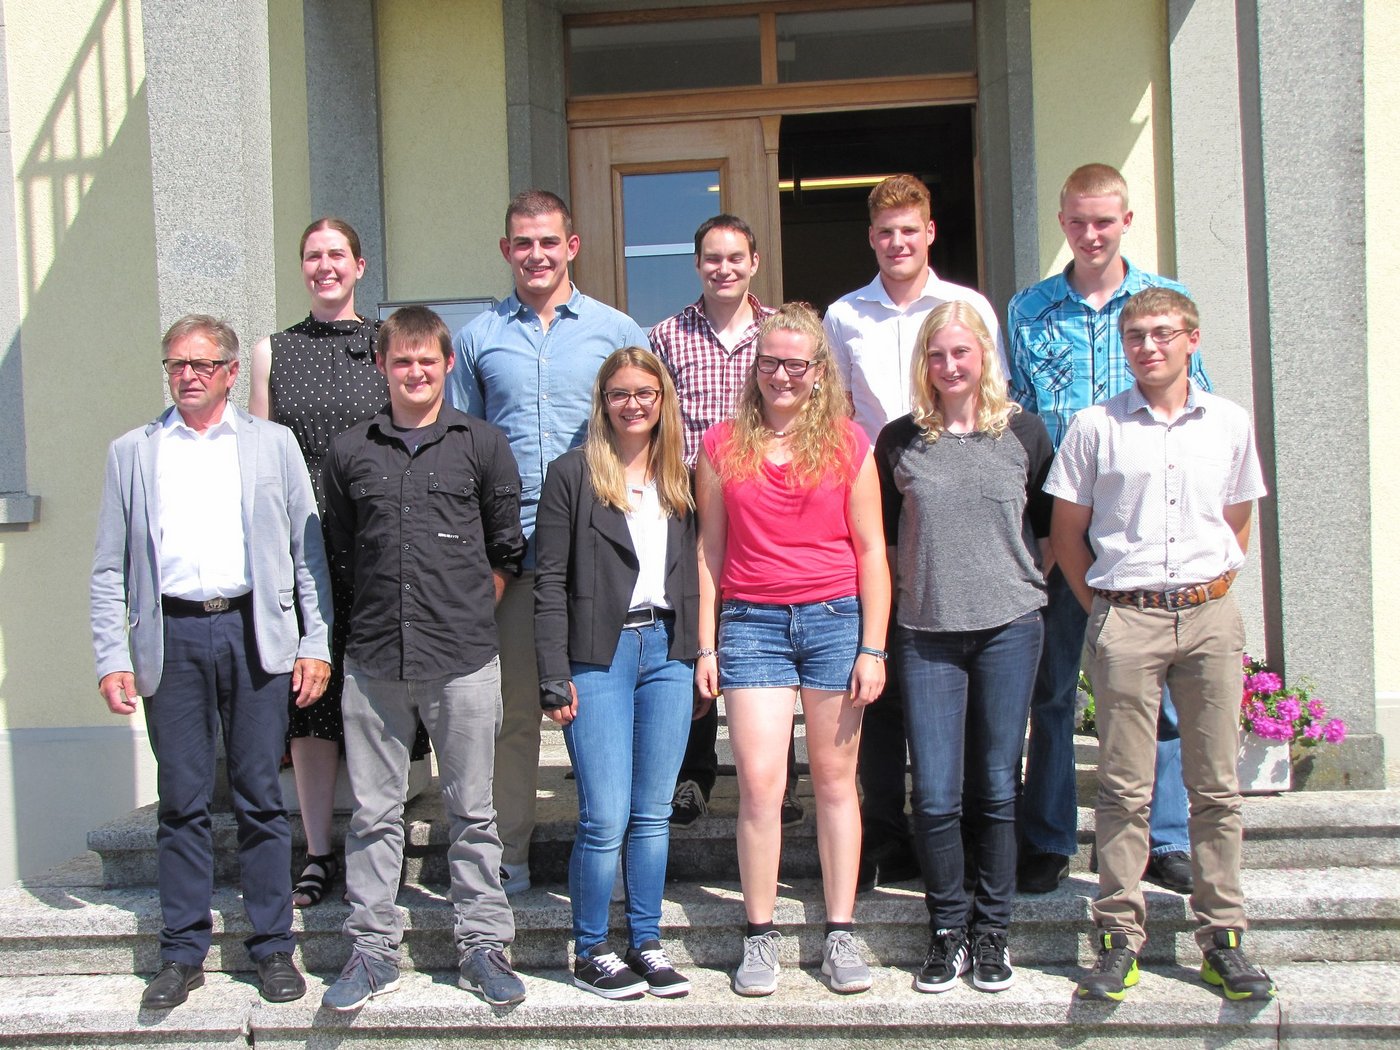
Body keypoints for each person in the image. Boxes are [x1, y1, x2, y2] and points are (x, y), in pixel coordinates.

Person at [91, 315, 330, 1008]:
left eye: (200, 364)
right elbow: (109, 566)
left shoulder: (271, 445)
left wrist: (314, 642)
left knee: (260, 796)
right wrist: (113, 655)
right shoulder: (133, 451)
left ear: (230, 371)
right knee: (183, 802)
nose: (187, 375)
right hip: (172, 638)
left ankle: (272, 947)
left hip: (253, 635)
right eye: (175, 364)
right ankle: (182, 951)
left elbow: (305, 553)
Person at [1047, 288, 1275, 1003]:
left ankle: (1224, 937)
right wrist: (1108, 615)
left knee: (1214, 786)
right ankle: (1118, 936)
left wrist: (1197, 597)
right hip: (1126, 618)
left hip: (1209, 616)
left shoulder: (1229, 423)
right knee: (1122, 786)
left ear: (1192, 340)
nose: (1149, 346)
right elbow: (1066, 535)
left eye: (1163, 334)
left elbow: (1236, 525)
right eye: (1136, 336)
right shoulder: (1096, 426)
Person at [1007, 163, 1209, 895]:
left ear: (1125, 221)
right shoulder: (1027, 310)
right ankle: (1051, 836)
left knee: (1157, 689)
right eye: (1077, 221)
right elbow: (1020, 421)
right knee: (1052, 690)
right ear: (1061, 222)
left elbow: (1202, 409)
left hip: (1145, 530)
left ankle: (1168, 836)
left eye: (1104, 221)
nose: (1090, 234)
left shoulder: (1165, 304)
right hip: (1061, 525)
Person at [321, 306, 528, 1010]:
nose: (415, 372)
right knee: (375, 815)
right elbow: (344, 554)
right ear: (382, 366)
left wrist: (463, 607)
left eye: (427, 361)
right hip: (374, 660)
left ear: (446, 366)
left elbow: (506, 549)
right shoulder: (351, 452)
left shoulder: (483, 444)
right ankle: (371, 950)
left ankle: (483, 946)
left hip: (464, 657)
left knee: (473, 811)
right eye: (402, 361)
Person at [447, 190, 648, 895]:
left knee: (595, 708)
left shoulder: (614, 330)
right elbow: (460, 448)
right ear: (507, 250)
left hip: (594, 554)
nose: (536, 254)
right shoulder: (476, 340)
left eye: (548, 242)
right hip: (511, 557)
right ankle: (511, 852)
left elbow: (643, 435)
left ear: (573, 246)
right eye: (522, 243)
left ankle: (608, 853)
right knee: (513, 716)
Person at [696, 303, 890, 997]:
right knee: (759, 786)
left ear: (818, 372)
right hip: (752, 625)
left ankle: (839, 931)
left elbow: (872, 551)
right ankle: (759, 935)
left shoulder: (849, 442)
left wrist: (874, 645)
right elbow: (708, 550)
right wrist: (704, 642)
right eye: (770, 362)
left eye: (796, 364)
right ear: (756, 367)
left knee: (836, 782)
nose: (782, 374)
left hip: (837, 619)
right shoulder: (721, 445)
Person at [824, 173, 1003, 891]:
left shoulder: (969, 309)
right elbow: (833, 412)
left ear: (929, 232)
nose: (897, 242)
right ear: (871, 239)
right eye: (884, 232)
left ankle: (957, 827)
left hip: (953, 495)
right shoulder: (845, 316)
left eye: (910, 229)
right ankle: (887, 836)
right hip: (874, 501)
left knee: (950, 665)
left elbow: (994, 400)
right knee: (881, 677)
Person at [248, 216, 428, 908]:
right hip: (304, 549)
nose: (325, 267)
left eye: (336, 256)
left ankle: (384, 841)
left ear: (359, 265)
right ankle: (320, 851)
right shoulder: (273, 352)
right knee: (313, 706)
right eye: (313, 256)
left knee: (386, 695)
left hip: (380, 544)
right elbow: (264, 459)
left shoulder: (386, 346)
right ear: (304, 268)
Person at [875, 303, 1051, 995]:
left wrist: (1016, 583)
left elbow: (1046, 532)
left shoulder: (1025, 434)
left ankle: (993, 933)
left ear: (984, 354)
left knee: (998, 788)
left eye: (962, 352)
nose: (951, 366)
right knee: (939, 793)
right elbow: (887, 544)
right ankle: (947, 930)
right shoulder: (899, 442)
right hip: (927, 635)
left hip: (1010, 627)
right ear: (925, 362)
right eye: (937, 354)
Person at [534, 347, 698, 1000]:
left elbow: (700, 569)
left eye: (645, 393)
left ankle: (647, 941)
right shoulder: (572, 475)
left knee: (653, 812)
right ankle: (592, 947)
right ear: (602, 402)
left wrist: (699, 652)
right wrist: (552, 672)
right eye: (620, 393)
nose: (633, 404)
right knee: (605, 814)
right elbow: (547, 581)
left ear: (663, 401)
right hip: (598, 655)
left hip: (668, 653)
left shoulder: (680, 478)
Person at [648, 214, 801, 830]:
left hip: (767, 507)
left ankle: (781, 782)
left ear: (754, 262)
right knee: (698, 633)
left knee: (771, 631)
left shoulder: (777, 333)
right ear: (697, 264)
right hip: (690, 504)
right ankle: (694, 773)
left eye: (735, 257)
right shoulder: (666, 335)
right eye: (712, 258)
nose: (724, 268)